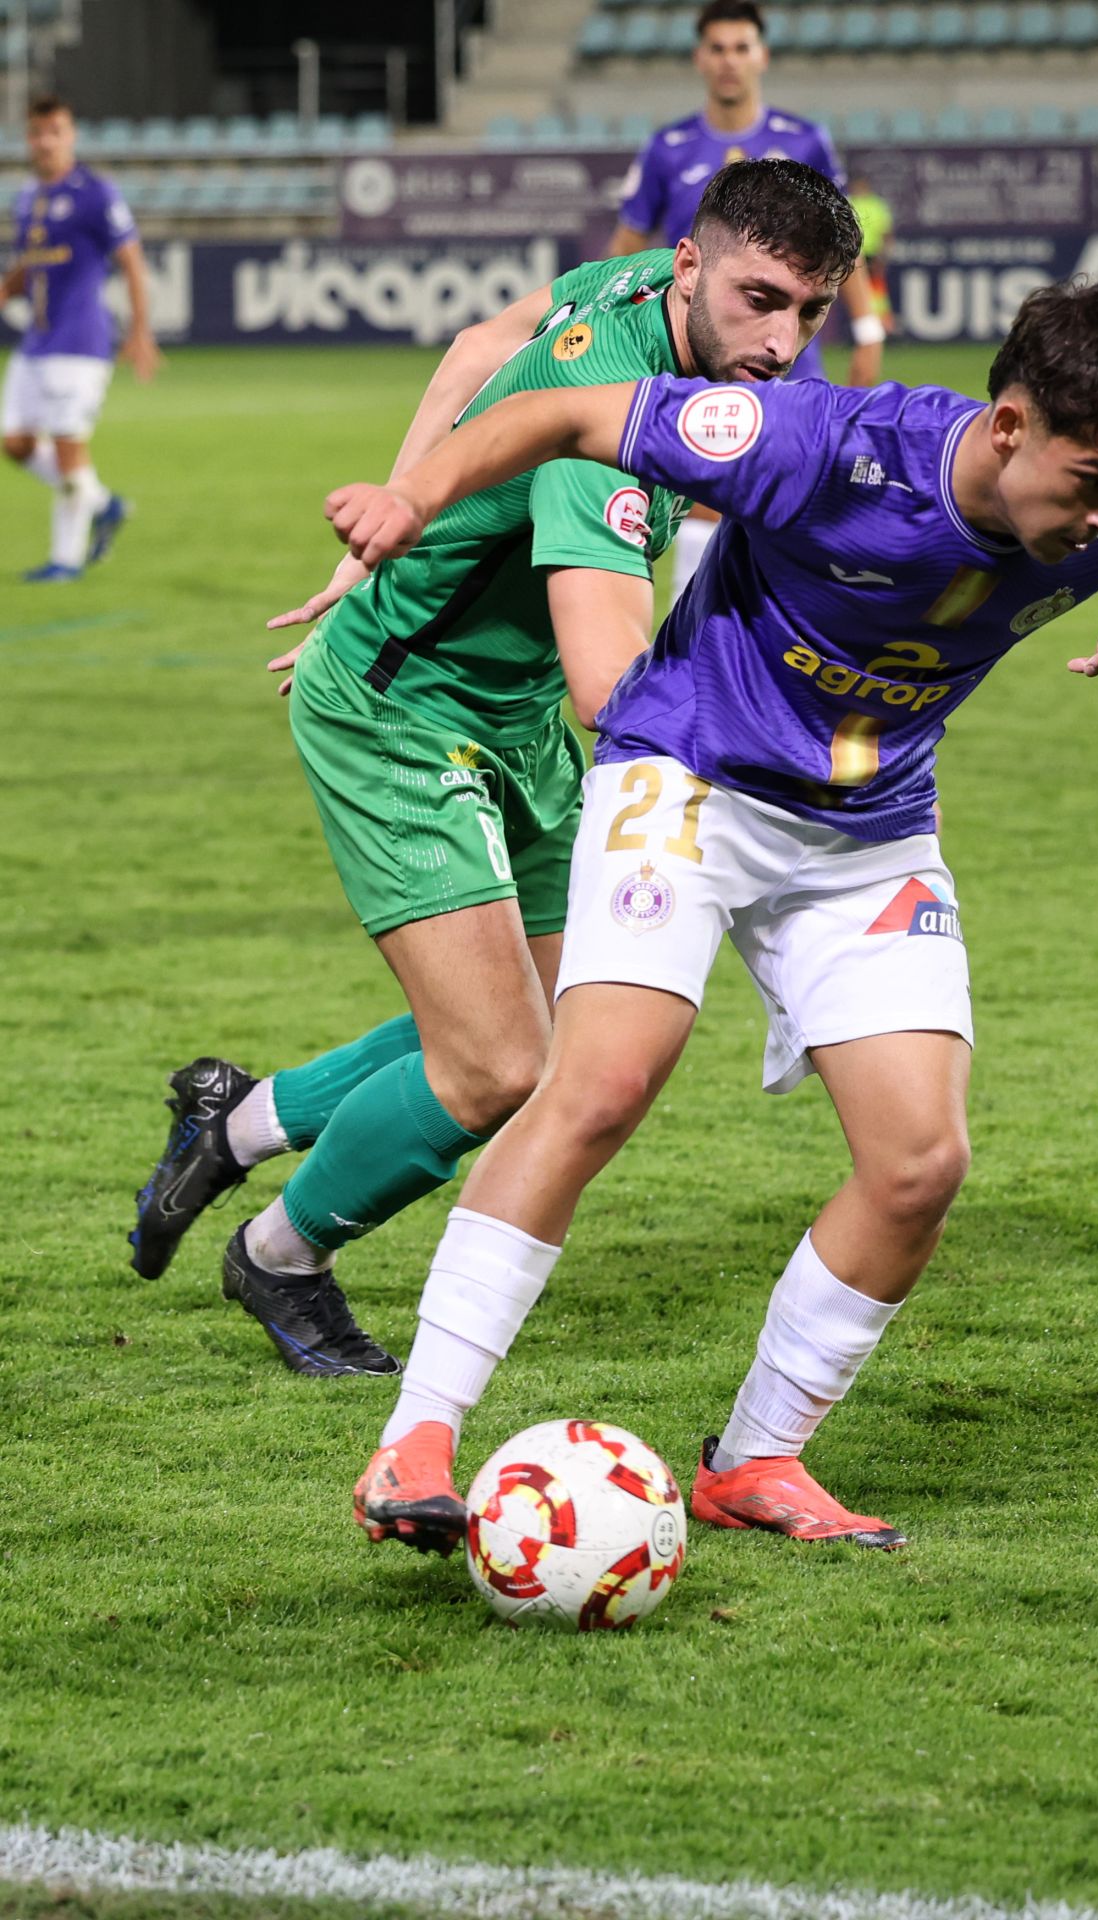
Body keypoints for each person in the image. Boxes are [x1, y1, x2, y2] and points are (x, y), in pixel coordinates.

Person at [322, 278, 1098, 1555]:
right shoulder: (826, 447)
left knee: (920, 1164)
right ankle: (414, 1438)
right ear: (1007, 426)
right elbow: (568, 410)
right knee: (600, 1086)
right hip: (686, 774)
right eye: (1091, 482)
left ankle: (755, 1460)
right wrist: (413, 495)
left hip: (866, 832)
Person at [128, 161, 862, 1381]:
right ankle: (281, 1255)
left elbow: (479, 345)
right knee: (497, 1064)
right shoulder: (606, 424)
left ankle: (236, 1117)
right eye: (759, 300)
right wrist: (778, 754)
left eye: (807, 311)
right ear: (692, 268)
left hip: (504, 708)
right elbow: (607, 677)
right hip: (399, 711)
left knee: (552, 1029)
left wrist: (404, 512)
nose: (782, 343)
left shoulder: (640, 294)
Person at [608, 0, 885, 600]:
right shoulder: (667, 148)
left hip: (785, 360)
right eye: (718, 48)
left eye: (741, 47)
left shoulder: (803, 139)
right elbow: (624, 252)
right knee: (704, 494)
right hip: (697, 357)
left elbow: (843, 248)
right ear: (699, 58)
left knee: (787, 495)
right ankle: (692, 631)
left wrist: (867, 331)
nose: (729, 61)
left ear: (761, 54)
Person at [2, 94, 159, 582]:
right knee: (14, 443)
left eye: (56, 131)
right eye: (37, 132)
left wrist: (140, 331)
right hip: (36, 342)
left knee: (69, 451)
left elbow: (131, 260)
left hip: (81, 344)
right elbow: (29, 267)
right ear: (28, 138)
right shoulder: (27, 197)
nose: (45, 141)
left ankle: (64, 562)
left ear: (71, 136)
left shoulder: (96, 192)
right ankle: (103, 503)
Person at [848, 171, 896, 336]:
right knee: (857, 294)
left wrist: (883, 255)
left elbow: (885, 232)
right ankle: (860, 331)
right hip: (852, 256)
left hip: (872, 255)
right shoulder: (849, 202)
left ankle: (882, 329)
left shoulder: (877, 205)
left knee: (877, 295)